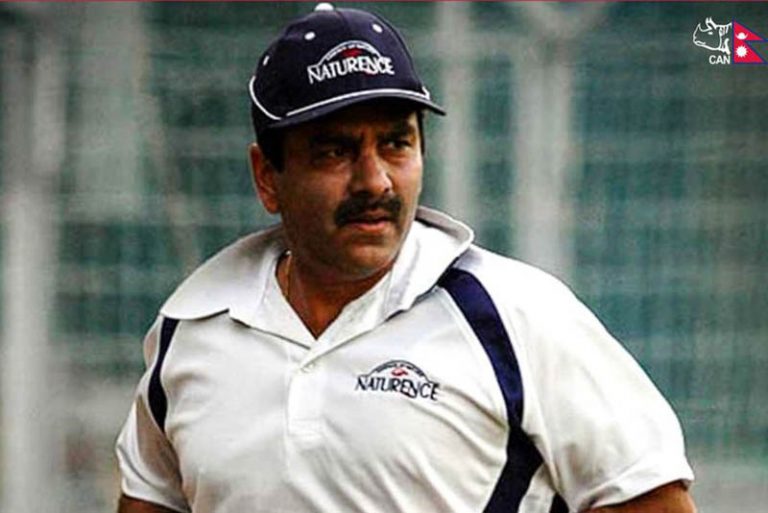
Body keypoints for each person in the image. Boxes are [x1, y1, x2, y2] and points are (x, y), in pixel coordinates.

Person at [115, 4, 697, 513]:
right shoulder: (190, 330)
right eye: (335, 151)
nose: (375, 181)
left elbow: (650, 498)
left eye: (396, 143)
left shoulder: (514, 314)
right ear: (267, 177)